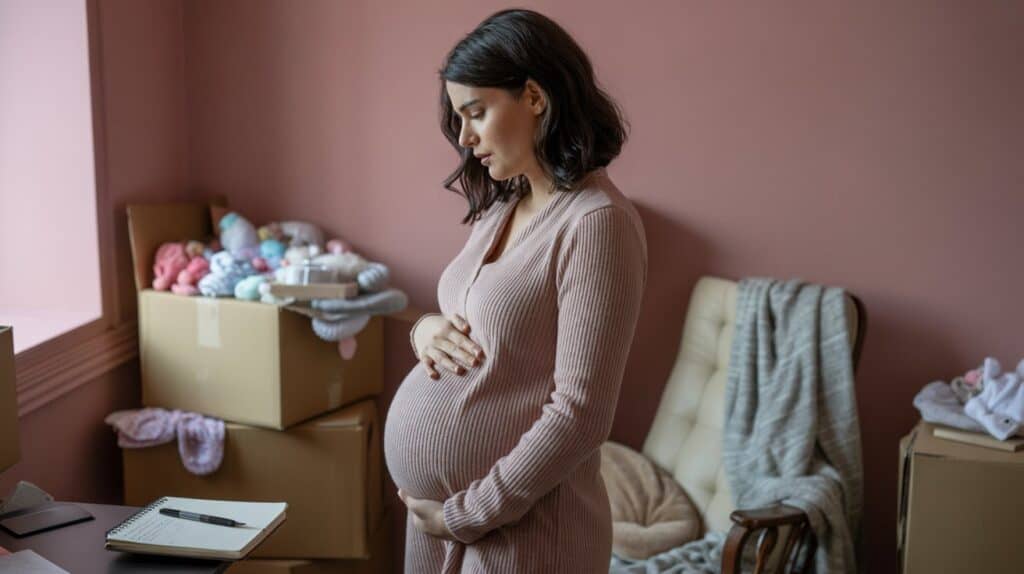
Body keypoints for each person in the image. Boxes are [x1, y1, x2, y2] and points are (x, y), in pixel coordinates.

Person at [383, 8, 647, 572]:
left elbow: (580, 414)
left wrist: (468, 514)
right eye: (458, 118)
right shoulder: (506, 203)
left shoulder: (597, 223)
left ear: (533, 95)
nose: (464, 137)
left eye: (475, 112)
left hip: (523, 538)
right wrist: (426, 330)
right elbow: (483, 322)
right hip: (445, 529)